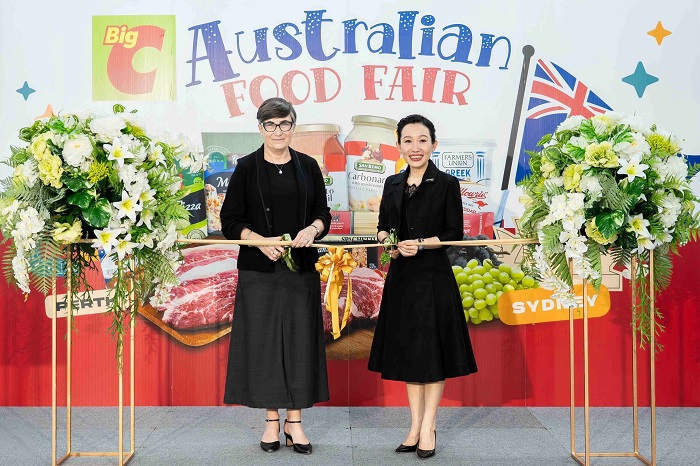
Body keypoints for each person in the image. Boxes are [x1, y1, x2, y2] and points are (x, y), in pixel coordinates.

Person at [220, 97, 331, 455]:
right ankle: (271, 421)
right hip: (259, 270)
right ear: (261, 128)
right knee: (264, 343)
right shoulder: (246, 168)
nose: (278, 131)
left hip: (301, 269)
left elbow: (323, 214)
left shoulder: (309, 166)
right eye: (271, 124)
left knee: (300, 342)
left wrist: (312, 230)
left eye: (284, 124)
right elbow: (229, 220)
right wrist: (258, 241)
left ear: (293, 126)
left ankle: (294, 422)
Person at [368, 114, 478, 459]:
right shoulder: (392, 183)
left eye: (422, 140)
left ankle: (429, 426)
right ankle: (414, 426)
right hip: (401, 278)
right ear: (398, 146)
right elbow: (382, 226)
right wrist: (388, 241)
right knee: (410, 354)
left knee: (431, 354)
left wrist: (420, 244)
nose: (415, 147)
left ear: (433, 144)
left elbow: (453, 233)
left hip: (433, 277)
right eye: (408, 140)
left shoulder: (446, 183)